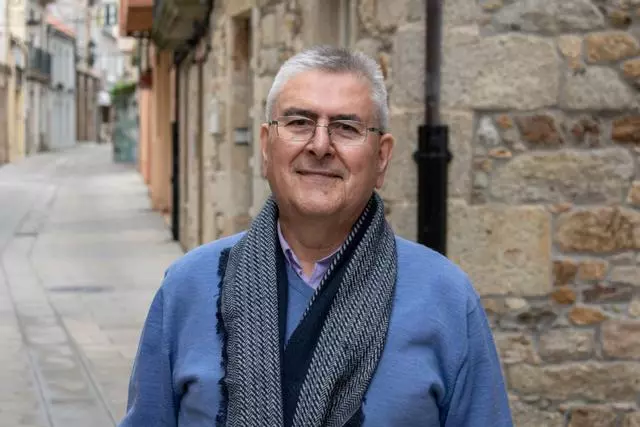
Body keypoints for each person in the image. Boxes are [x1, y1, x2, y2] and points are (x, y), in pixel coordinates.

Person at [118, 45, 513, 427]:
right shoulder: (188, 287)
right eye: (299, 123)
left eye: (346, 128)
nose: (320, 145)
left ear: (381, 157)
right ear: (265, 147)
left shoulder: (445, 299)